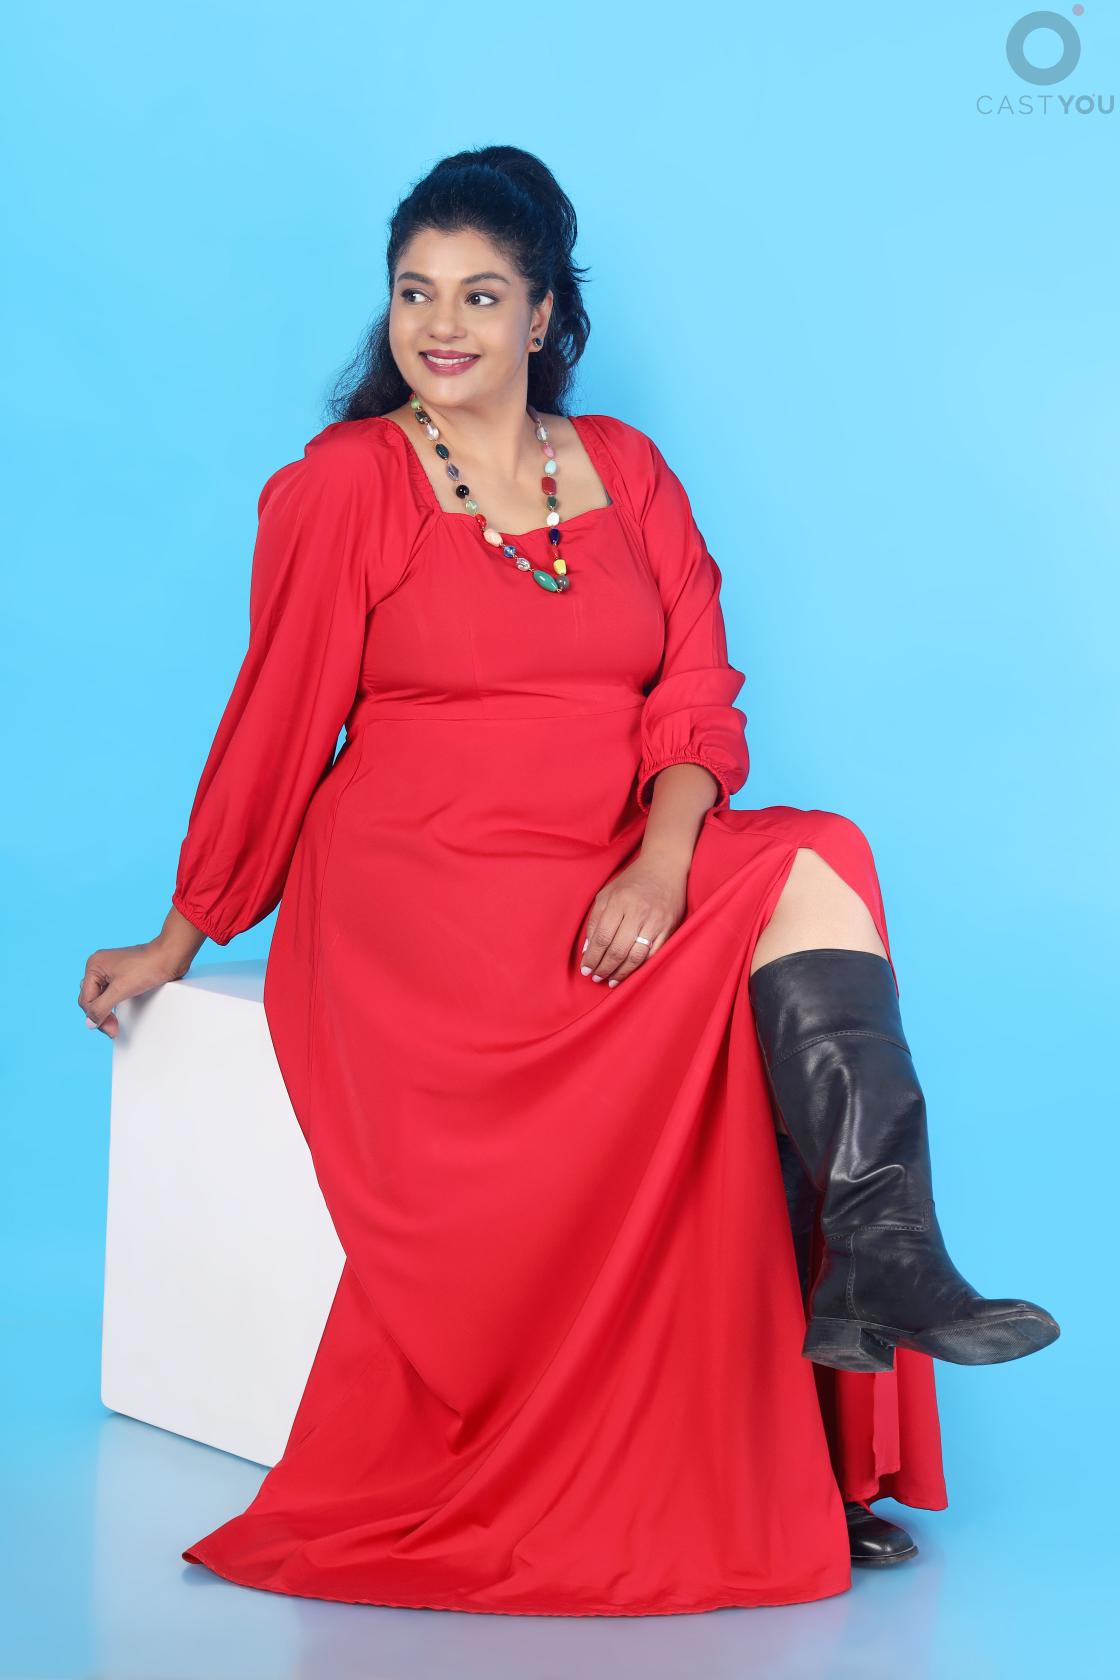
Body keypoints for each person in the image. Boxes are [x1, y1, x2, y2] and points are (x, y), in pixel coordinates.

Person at [79, 144, 1059, 1616]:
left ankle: (882, 1265)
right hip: (427, 888)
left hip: (609, 851)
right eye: (416, 291)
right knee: (742, 986)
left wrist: (661, 863)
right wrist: (184, 932)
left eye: (482, 294)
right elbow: (276, 719)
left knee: (821, 855)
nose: (443, 324)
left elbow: (697, 695)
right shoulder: (347, 484)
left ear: (542, 315)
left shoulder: (627, 469)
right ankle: (798, 1411)